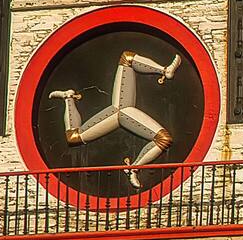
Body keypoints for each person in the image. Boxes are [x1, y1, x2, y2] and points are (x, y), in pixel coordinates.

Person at [47, 50, 181, 187]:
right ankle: (68, 97)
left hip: (123, 108)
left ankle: (165, 71)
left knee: (127, 58)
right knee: (126, 58)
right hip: (120, 111)